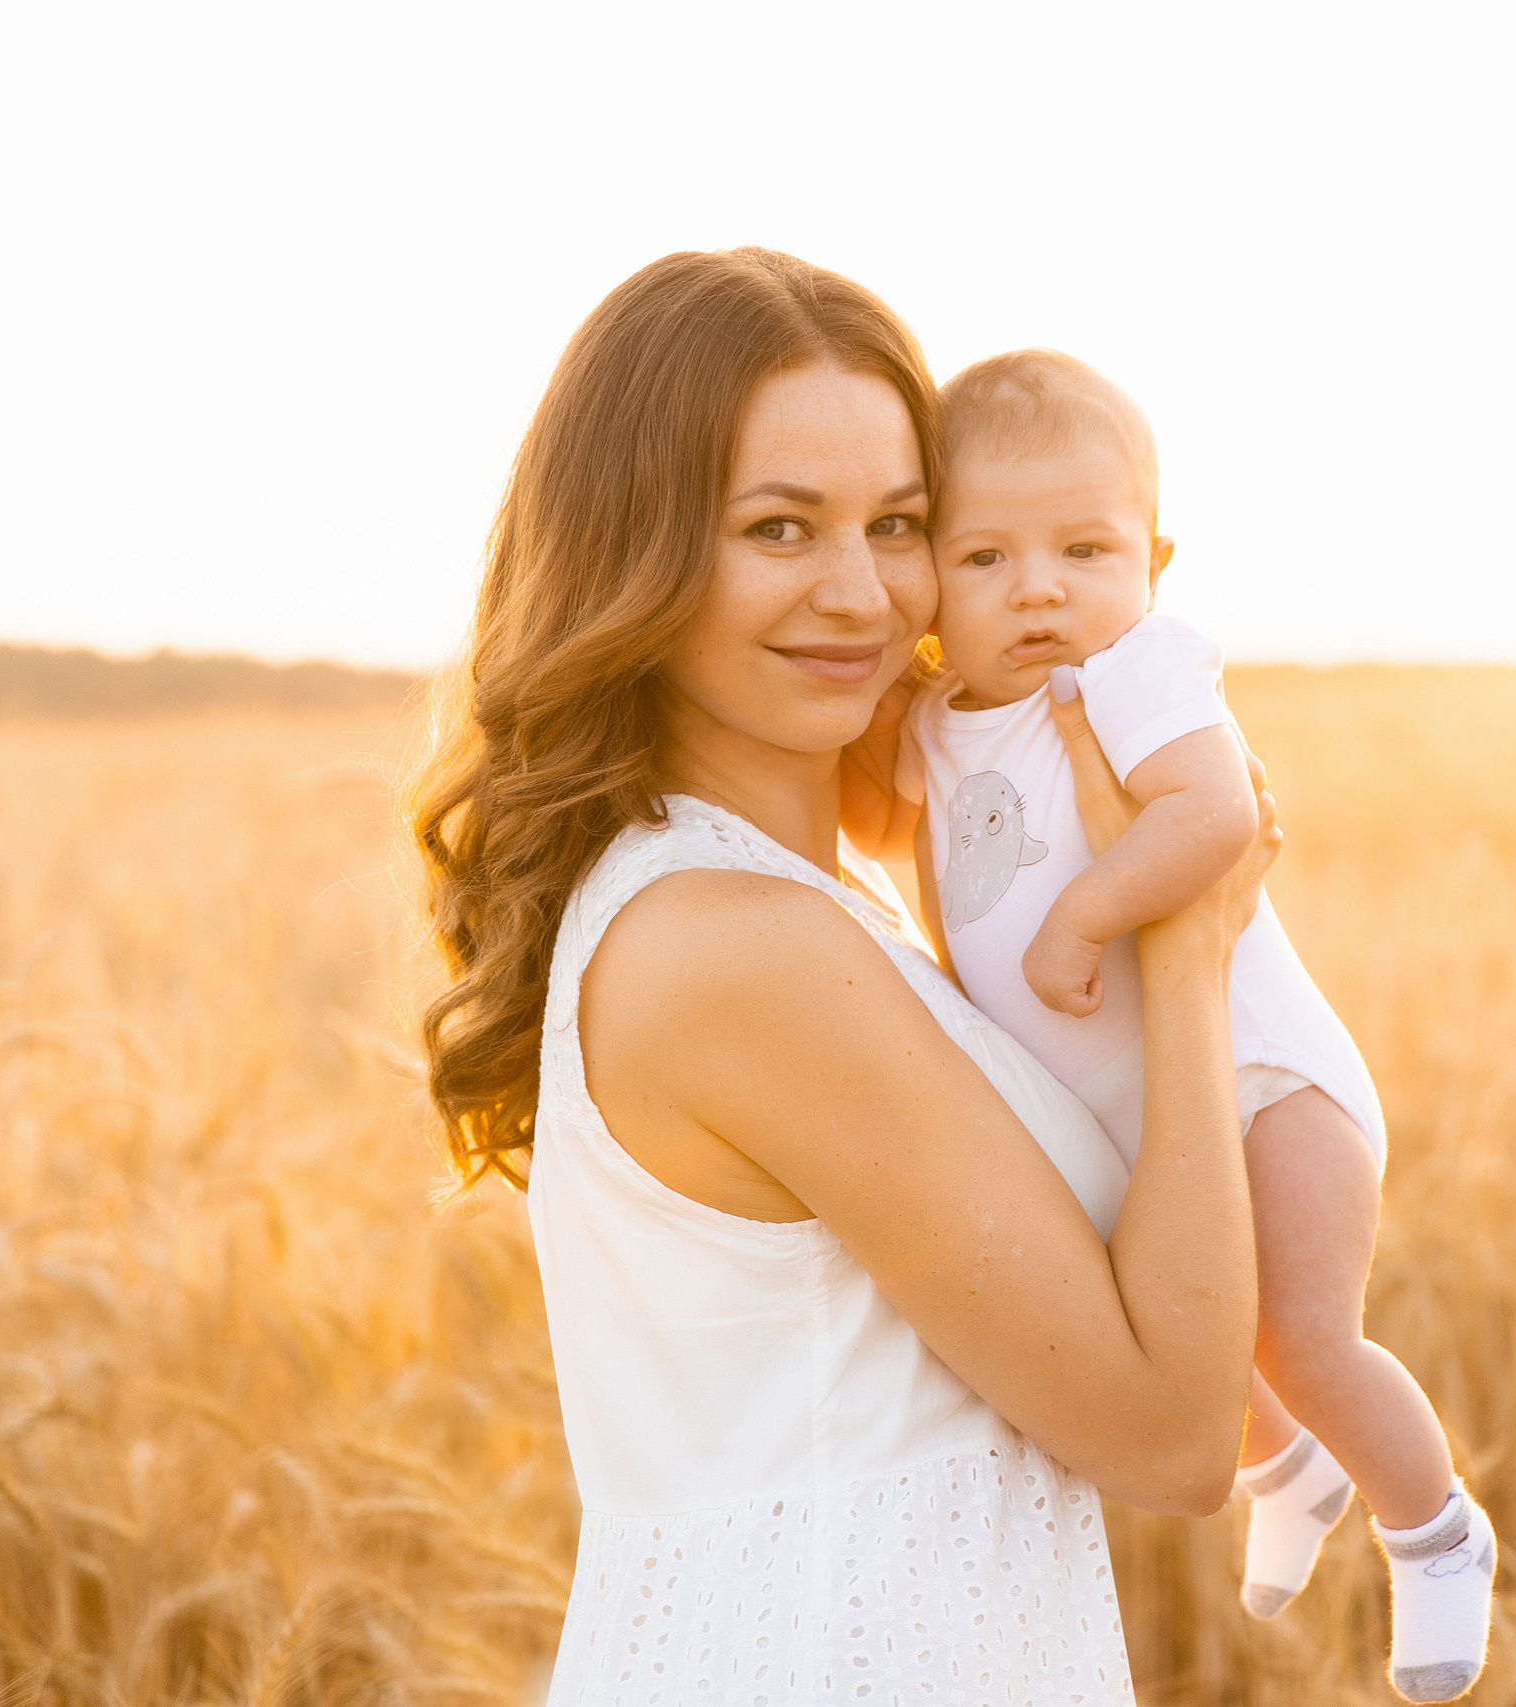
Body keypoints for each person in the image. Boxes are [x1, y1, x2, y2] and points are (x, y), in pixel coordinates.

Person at [408, 248, 1280, 1706]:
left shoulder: (813, 905)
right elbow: (1177, 1435)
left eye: (899, 524)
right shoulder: (739, 945)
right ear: (634, 554)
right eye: (779, 528)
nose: (862, 592)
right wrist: (1186, 956)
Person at [851, 349, 1495, 1704]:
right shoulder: (942, 721)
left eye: (1084, 551)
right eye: (985, 559)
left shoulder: (1132, 675)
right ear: (931, 588)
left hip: (1261, 1083)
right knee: (1180, 1332)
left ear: (1152, 562)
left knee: (1303, 1333)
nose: (1039, 589)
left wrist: (1083, 916)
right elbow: (872, 815)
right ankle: (1288, 1470)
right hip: (1140, 1119)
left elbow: (1217, 815)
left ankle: (1436, 1534)